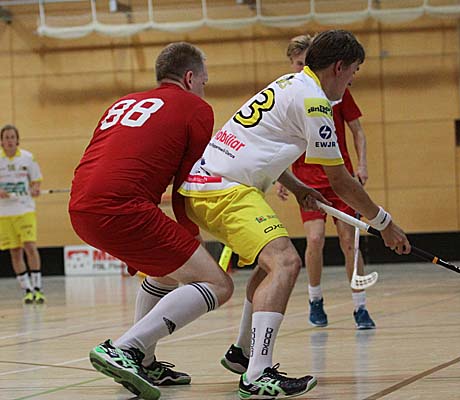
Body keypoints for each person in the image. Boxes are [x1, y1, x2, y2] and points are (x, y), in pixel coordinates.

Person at [179, 29, 411, 400]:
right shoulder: (315, 102)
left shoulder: (290, 83)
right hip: (225, 188)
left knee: (269, 265)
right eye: (353, 71)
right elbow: (341, 181)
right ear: (339, 67)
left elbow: (261, 144)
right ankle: (258, 373)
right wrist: (385, 224)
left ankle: (243, 353)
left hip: (210, 183)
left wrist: (298, 187)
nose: (352, 80)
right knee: (286, 262)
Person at [69, 42, 234, 400]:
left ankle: (142, 360)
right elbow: (186, 184)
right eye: (204, 81)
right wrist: (190, 234)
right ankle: (125, 348)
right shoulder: (196, 108)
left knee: (165, 272)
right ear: (189, 78)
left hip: (81, 207)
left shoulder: (123, 102)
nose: (204, 88)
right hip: (123, 208)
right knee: (218, 284)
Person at [276, 34, 375, 329]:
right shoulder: (293, 93)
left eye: (306, 62)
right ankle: (315, 299)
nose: (302, 68)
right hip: (308, 181)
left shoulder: (336, 91)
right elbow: (282, 139)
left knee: (349, 242)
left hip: (339, 177)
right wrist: (283, 176)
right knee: (315, 239)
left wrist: (362, 164)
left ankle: (360, 306)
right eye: (298, 64)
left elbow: (358, 131)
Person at [0, 124, 45, 304]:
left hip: (25, 208)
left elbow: (36, 181)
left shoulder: (27, 158)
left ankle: (38, 288)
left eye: (12, 137)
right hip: (4, 212)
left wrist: (35, 189)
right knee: (15, 251)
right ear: (1, 141)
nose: (9, 140)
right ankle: (27, 290)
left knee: (30, 246)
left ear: (17, 140)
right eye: (6, 137)